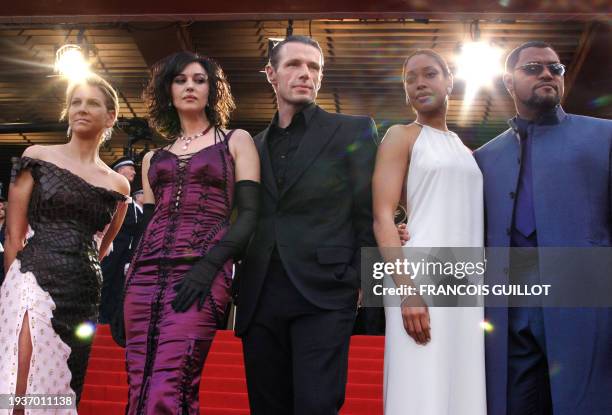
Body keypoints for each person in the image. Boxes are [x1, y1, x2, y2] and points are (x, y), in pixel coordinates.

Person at [234, 35, 378, 415]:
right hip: (260, 292)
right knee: (267, 407)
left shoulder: (353, 130)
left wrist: (360, 278)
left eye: (314, 67)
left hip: (326, 290)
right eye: (294, 65)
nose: (305, 74)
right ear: (271, 74)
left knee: (317, 405)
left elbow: (367, 211)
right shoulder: (252, 145)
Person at [473, 41, 612, 415]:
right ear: (508, 81)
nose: (548, 74)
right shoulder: (484, 157)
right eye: (533, 68)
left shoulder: (605, 137)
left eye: (556, 68)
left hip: (585, 299)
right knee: (516, 403)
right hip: (508, 304)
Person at [123, 51, 260, 414]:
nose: (189, 86)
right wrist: (127, 281)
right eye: (181, 79)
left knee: (172, 381)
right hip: (146, 274)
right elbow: (149, 224)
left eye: (199, 80)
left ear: (212, 91)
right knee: (139, 383)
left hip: (204, 269)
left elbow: (248, 216)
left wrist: (212, 265)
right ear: (168, 89)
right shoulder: (153, 157)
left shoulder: (236, 140)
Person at [0, 73, 129, 412]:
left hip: (83, 291)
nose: (81, 109)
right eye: (75, 102)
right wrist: (15, 284)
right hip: (31, 279)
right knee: (18, 384)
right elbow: (13, 234)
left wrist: (84, 270)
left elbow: (102, 247)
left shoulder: (118, 185)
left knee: (60, 388)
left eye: (92, 103)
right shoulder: (37, 156)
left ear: (110, 116)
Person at [374, 49, 486, 415]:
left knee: (462, 387)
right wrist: (407, 293)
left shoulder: (465, 150)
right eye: (410, 78)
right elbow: (382, 217)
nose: (419, 83)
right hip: (418, 281)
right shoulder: (401, 136)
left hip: (467, 283)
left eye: (430, 74)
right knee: (419, 388)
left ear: (450, 81)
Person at [99, 156, 141, 324]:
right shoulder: (108, 190)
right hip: (110, 247)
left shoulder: (130, 200)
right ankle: (99, 316)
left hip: (123, 252)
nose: (134, 171)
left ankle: (108, 318)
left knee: (117, 284)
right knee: (104, 280)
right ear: (119, 170)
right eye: (130, 168)